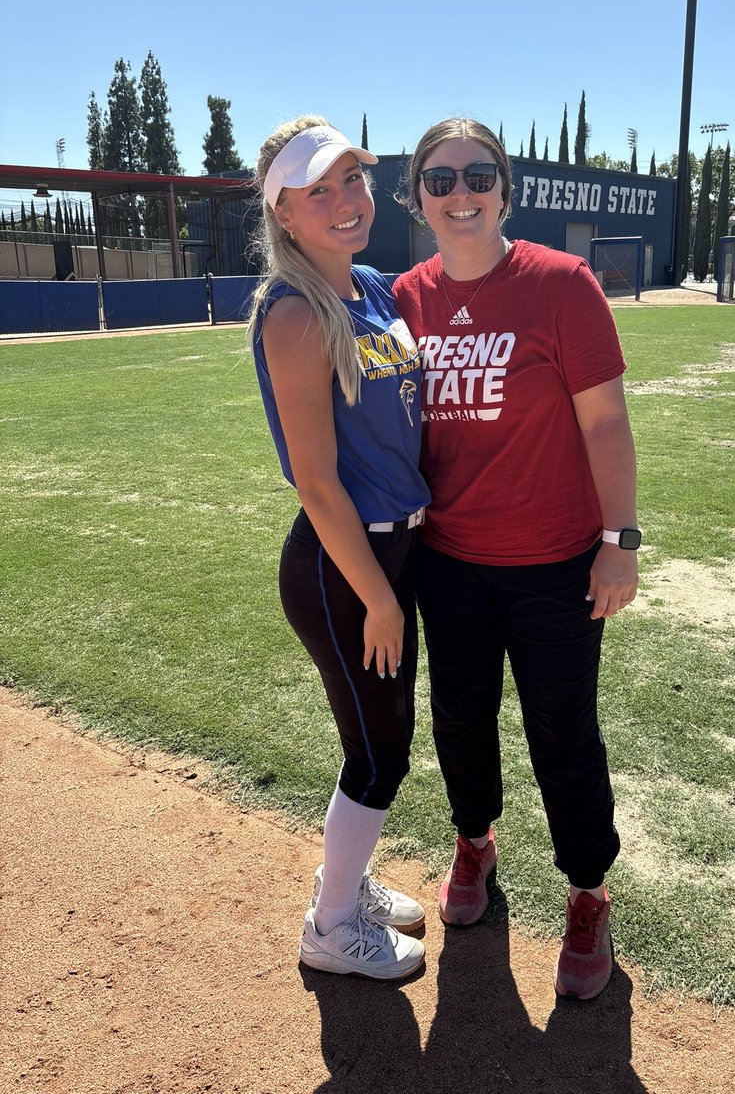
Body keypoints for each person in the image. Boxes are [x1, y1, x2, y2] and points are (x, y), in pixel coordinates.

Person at [393, 118, 639, 1000]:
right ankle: (474, 842)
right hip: (448, 560)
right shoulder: (402, 300)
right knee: (458, 718)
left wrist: (619, 544)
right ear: (415, 197)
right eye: (439, 177)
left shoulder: (561, 284)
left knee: (562, 735)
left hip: (554, 565)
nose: (461, 192)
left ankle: (587, 893)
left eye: (478, 173)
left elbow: (606, 421)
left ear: (505, 186)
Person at [249, 116, 430, 981]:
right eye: (317, 190)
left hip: (387, 557)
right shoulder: (295, 313)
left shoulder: (372, 289)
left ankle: (345, 884)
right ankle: (329, 927)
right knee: (378, 749)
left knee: (383, 734)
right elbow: (316, 483)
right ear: (283, 213)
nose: (344, 200)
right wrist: (382, 598)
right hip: (341, 568)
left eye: (351, 180)